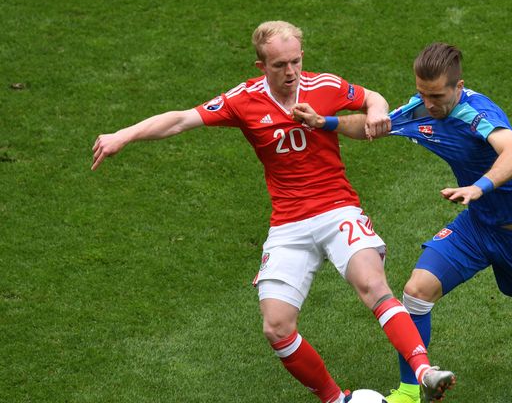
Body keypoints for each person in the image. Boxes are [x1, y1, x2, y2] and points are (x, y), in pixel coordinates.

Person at [91, 22, 455, 403]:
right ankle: (335, 400)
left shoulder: (325, 86)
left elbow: (371, 97)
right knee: (276, 327)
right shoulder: (243, 99)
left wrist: (379, 110)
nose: (292, 72)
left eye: (296, 61)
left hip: (337, 209)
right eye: (280, 64)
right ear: (261, 65)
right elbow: (182, 119)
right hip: (288, 224)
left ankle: (424, 373)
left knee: (372, 285)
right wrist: (124, 134)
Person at [292, 42, 512, 403]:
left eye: (436, 95)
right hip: (477, 227)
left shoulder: (477, 113)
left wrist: (479, 188)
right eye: (422, 93)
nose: (428, 104)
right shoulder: (423, 110)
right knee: (416, 292)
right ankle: (408, 391)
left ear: (458, 87)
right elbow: (374, 127)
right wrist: (325, 122)